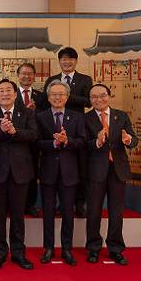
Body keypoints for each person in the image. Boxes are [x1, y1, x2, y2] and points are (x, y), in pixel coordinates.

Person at [0, 79, 37, 271]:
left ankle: (18, 252)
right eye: (1, 91)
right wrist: (1, 131)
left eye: (8, 91)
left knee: (18, 216)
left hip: (20, 171)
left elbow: (33, 136)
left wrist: (15, 131)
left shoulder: (27, 113)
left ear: (15, 94)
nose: (5, 94)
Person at [84, 84, 138, 266]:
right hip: (95, 171)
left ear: (109, 96)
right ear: (90, 99)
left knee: (117, 212)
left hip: (118, 171)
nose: (98, 99)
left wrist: (128, 139)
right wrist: (97, 142)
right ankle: (93, 248)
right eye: (94, 97)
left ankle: (115, 248)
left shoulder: (121, 116)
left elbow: (133, 139)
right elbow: (83, 145)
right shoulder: (85, 118)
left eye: (102, 95)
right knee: (93, 212)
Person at [36, 80, 85, 267]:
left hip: (69, 172)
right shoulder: (40, 117)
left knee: (67, 212)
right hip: (48, 171)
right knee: (47, 212)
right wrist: (54, 144)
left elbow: (81, 142)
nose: (57, 97)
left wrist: (67, 141)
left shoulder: (77, 117)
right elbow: (36, 142)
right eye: (53, 94)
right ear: (48, 98)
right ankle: (48, 248)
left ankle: (67, 249)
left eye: (61, 94)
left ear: (67, 97)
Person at [44, 47, 93, 218]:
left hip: (77, 126)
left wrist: (66, 96)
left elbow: (88, 102)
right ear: (59, 61)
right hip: (54, 126)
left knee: (79, 166)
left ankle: (79, 203)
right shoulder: (52, 79)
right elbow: (46, 100)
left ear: (76, 61)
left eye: (70, 59)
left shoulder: (85, 79)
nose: (67, 62)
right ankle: (61, 204)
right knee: (56, 167)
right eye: (63, 59)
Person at [15, 63, 45, 217]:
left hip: (33, 140)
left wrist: (35, 112)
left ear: (34, 76)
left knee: (32, 173)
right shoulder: (11, 94)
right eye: (23, 74)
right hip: (16, 140)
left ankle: (30, 204)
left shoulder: (41, 96)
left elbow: (46, 117)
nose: (26, 77)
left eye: (30, 74)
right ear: (18, 76)